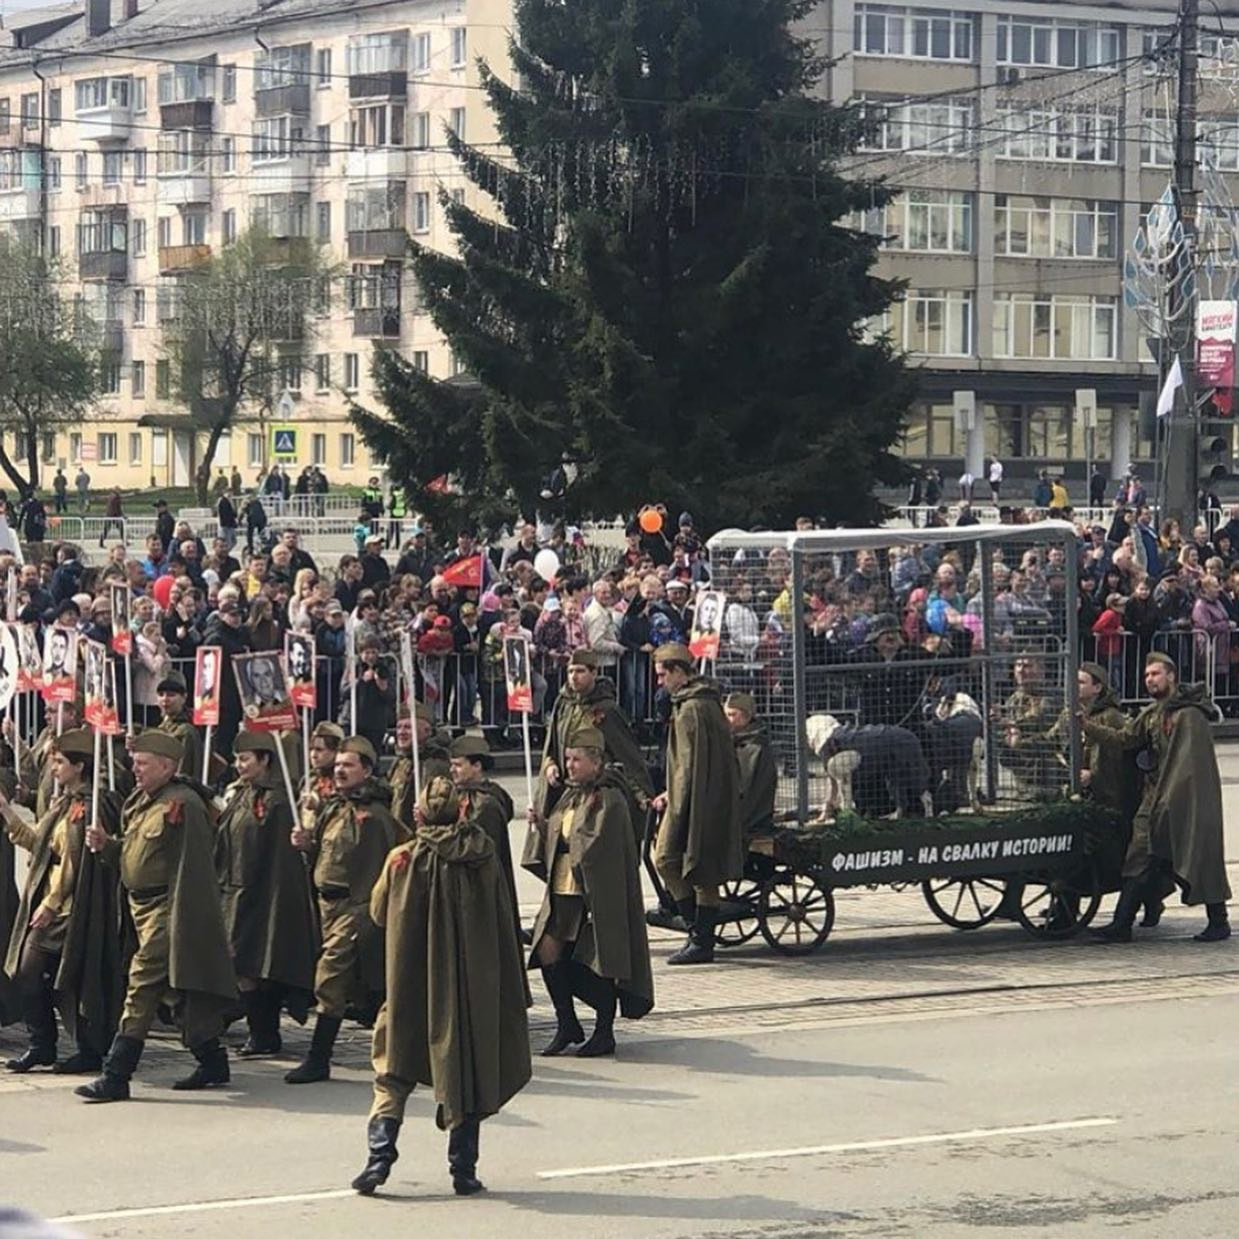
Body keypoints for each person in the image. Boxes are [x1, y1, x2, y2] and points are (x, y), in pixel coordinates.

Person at [350, 777, 531, 1198]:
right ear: (461, 810)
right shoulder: (482, 856)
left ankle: (379, 1158)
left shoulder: (402, 859)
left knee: (392, 1071)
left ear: (420, 814)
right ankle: (463, 1169)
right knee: (465, 1072)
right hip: (468, 988)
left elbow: (378, 913)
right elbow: (501, 919)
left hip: (411, 984)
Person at [76, 731, 236, 1102]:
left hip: (170, 909)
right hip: (140, 909)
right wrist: (109, 847)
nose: (135, 769)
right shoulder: (144, 801)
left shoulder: (183, 806)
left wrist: (188, 921)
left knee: (142, 984)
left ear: (166, 766)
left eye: (143, 763)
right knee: (173, 994)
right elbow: (139, 852)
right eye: (135, 762)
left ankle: (116, 1074)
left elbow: (193, 869)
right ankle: (212, 1059)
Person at [1083, 652, 1232, 943]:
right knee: (1139, 856)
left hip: (1185, 800)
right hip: (1155, 797)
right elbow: (1126, 739)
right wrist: (1088, 727)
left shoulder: (1189, 715)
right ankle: (1122, 924)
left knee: (1198, 857)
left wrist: (1170, 797)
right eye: (1147, 675)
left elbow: (1190, 766)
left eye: (1156, 674)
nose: (1150, 680)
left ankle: (1219, 920)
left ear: (1172, 676)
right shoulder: (1152, 713)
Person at [523, 729, 653, 1059]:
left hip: (594, 894)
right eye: (567, 759)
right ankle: (566, 1022)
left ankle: (603, 1030)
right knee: (549, 951)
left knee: (600, 960)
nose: (570, 766)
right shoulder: (571, 795)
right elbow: (563, 832)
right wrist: (543, 823)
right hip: (563, 890)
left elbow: (600, 846)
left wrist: (566, 838)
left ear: (596, 762)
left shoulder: (610, 798)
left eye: (576, 759)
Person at [2, 730, 123, 1075]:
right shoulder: (64, 803)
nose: (53, 768)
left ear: (79, 766)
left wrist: (52, 903)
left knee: (41, 972)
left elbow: (73, 862)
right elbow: (41, 845)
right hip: (54, 904)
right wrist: (8, 813)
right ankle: (45, 1045)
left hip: (69, 910)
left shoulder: (87, 806)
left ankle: (69, 1047)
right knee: (43, 976)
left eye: (59, 762)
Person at [287, 736, 403, 1084]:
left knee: (331, 978)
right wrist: (306, 844)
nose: (339, 770)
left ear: (366, 770)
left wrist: (367, 911)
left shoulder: (374, 816)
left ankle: (318, 1057)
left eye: (348, 765)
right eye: (337, 764)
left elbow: (381, 867)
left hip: (354, 907)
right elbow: (325, 853)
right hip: (326, 906)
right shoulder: (334, 807)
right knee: (361, 985)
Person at [215, 731, 317, 1057]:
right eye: (238, 759)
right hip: (236, 890)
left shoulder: (277, 801)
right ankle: (260, 1032)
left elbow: (277, 857)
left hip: (264, 892)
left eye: (246, 759)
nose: (239, 765)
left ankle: (264, 1034)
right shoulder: (242, 795)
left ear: (265, 761)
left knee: (259, 965)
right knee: (242, 965)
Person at [650, 643, 741, 965]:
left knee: (683, 863)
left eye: (663, 675)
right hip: (695, 796)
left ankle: (700, 938)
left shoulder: (692, 708)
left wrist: (676, 801)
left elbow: (689, 766)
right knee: (685, 865)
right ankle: (697, 933)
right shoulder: (698, 703)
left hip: (696, 801)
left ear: (678, 672)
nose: (661, 682)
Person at [537, 648, 652, 821]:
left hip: (596, 792)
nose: (574, 677)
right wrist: (550, 763)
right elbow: (552, 743)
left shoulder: (606, 709)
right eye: (570, 671)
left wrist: (641, 795)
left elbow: (628, 755)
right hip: (565, 788)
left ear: (594, 672)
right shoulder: (564, 703)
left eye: (580, 671)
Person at [448, 736, 521, 934]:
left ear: (476, 766)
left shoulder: (486, 804)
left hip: (481, 886)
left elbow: (473, 846)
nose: (452, 770)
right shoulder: (455, 795)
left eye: (458, 765)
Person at [388, 703, 452, 832]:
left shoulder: (436, 763)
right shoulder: (400, 762)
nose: (401, 732)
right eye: (399, 727)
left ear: (427, 731)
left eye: (408, 727)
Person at [724, 693, 777, 838]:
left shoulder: (752, 747)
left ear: (746, 716)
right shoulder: (742, 742)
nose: (727, 720)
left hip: (749, 824)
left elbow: (742, 791)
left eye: (732, 715)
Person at [149, 671, 203, 781]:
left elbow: (184, 771)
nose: (165, 699)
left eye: (171, 695)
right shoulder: (163, 725)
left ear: (184, 698)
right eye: (161, 695)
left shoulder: (186, 730)